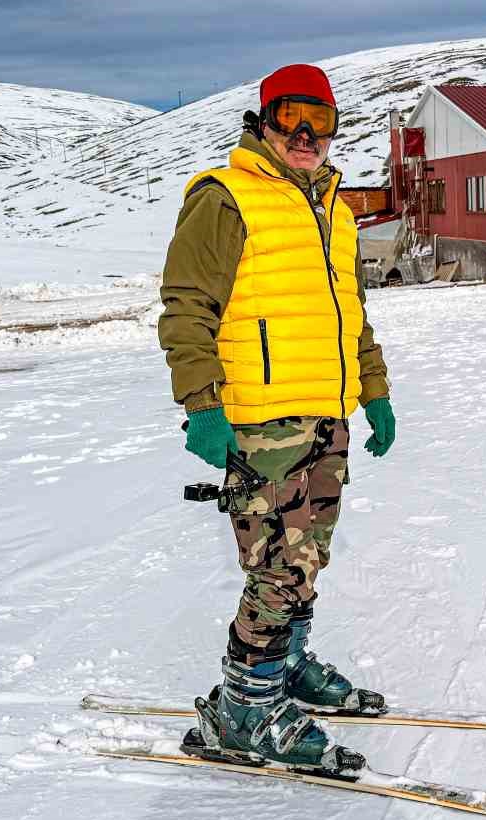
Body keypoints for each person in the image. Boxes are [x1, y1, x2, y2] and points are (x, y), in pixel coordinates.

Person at [157, 63, 395, 774]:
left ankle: (284, 669)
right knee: (277, 569)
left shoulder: (336, 209)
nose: (304, 134)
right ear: (262, 121)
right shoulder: (225, 198)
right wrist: (202, 406)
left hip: (326, 414)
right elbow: (185, 306)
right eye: (291, 116)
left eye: (319, 120)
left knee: (305, 560)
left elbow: (351, 315)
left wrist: (373, 390)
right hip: (262, 425)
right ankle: (244, 710)